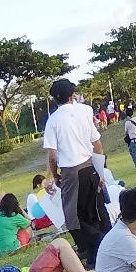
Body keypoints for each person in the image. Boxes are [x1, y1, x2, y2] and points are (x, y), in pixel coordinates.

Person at [42, 77, 104, 259]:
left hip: (71, 171)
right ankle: (94, 250)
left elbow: (52, 155)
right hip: (90, 166)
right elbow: (97, 144)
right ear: (72, 95)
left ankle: (94, 245)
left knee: (72, 218)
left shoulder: (53, 121)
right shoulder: (84, 112)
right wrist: (101, 169)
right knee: (92, 211)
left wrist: (54, 175)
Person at [0, 192, 30, 258]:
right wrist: (21, 210)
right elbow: (29, 222)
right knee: (28, 229)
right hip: (8, 250)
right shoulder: (14, 216)